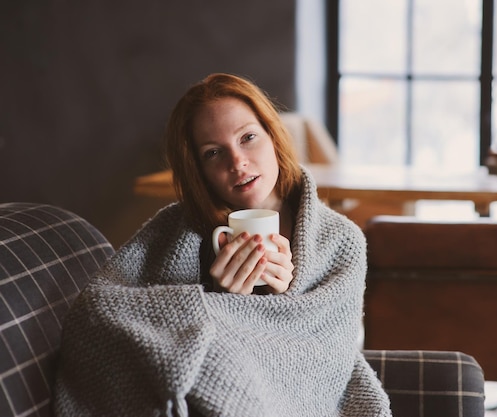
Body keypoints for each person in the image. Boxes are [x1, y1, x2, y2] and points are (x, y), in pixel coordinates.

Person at [53, 73, 391, 417]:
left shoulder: (340, 242)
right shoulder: (170, 231)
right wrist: (218, 301)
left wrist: (280, 305)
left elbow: (328, 361)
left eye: (248, 137)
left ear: (273, 137)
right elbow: (97, 310)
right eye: (213, 152)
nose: (237, 162)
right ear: (197, 169)